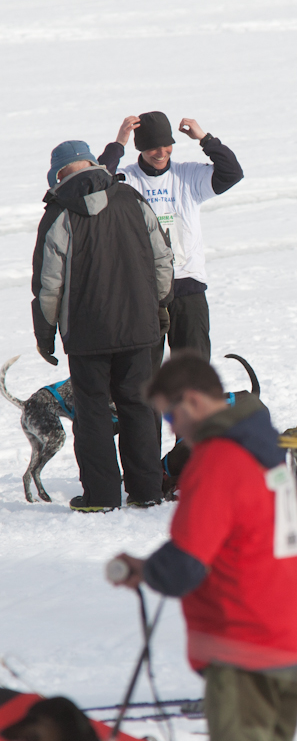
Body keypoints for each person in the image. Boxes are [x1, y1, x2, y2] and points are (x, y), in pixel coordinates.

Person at [111, 352, 297, 741]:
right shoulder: (266, 450)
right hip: (286, 638)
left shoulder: (219, 460)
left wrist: (144, 571)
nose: (173, 430)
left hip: (243, 648)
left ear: (193, 403)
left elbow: (186, 562)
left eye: (170, 418)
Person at [32, 140, 174, 512]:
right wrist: (158, 305)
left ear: (59, 174)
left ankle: (101, 495)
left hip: (86, 334)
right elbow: (163, 259)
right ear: (94, 164)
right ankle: (146, 491)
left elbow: (50, 285)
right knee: (138, 407)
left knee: (92, 412)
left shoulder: (59, 214)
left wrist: (45, 334)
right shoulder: (132, 199)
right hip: (139, 327)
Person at [99, 112, 244, 366]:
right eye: (152, 147)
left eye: (166, 145)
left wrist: (205, 139)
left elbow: (232, 173)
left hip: (187, 287)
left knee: (194, 373)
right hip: (144, 291)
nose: (160, 152)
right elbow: (96, 184)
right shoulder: (126, 179)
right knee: (143, 376)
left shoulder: (189, 176)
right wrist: (118, 144)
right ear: (140, 147)